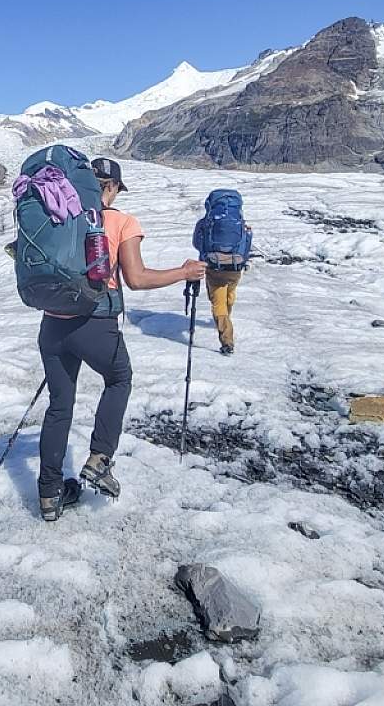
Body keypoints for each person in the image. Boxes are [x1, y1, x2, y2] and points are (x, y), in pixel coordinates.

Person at [36, 158, 207, 521]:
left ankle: (50, 497)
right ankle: (99, 459)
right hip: (95, 324)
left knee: (59, 406)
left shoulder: (60, 216)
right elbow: (137, 278)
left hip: (52, 326)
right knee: (119, 379)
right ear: (111, 187)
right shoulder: (121, 221)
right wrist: (185, 271)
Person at [192, 190, 253, 356]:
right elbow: (247, 242)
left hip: (215, 269)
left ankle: (227, 342)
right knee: (229, 294)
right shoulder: (240, 222)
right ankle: (226, 315)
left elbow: (196, 243)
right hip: (235, 268)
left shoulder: (206, 222)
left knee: (218, 303)